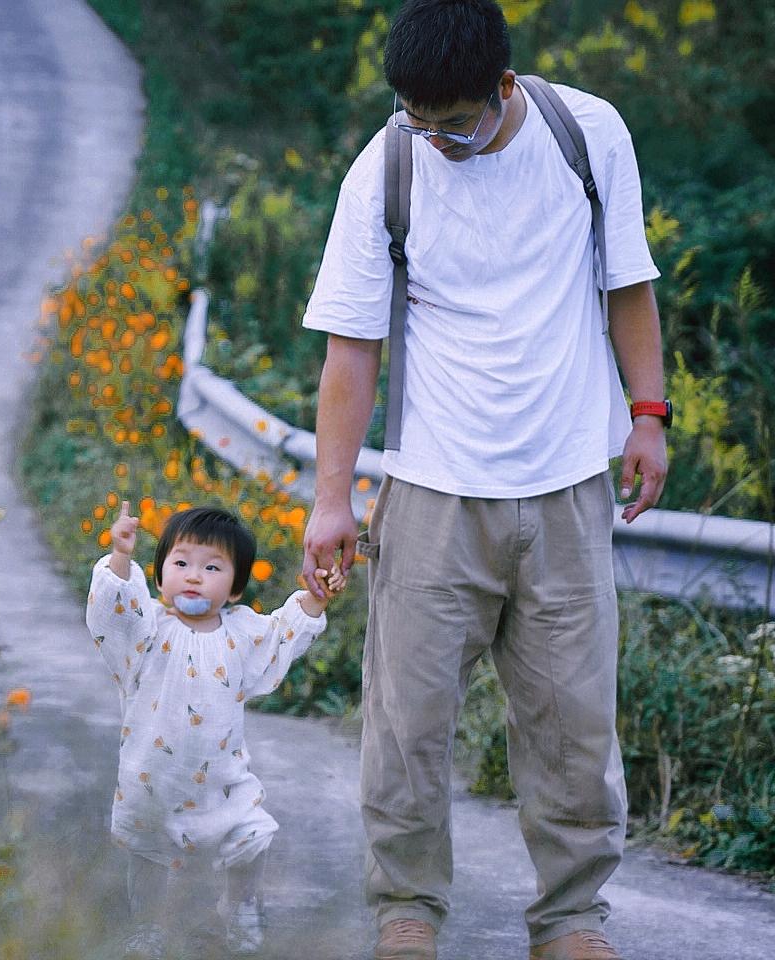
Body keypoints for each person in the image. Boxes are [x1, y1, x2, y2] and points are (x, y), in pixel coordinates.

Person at [301, 2, 668, 959]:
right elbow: (351, 350)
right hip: (430, 488)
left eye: (454, 122)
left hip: (566, 484)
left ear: (505, 87)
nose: (437, 141)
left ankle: (572, 920)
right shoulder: (386, 167)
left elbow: (627, 281)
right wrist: (331, 498)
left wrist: (649, 415)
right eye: (417, 120)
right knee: (407, 725)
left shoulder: (586, 135)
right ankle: (407, 910)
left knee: (574, 727)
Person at [86, 503, 344, 957]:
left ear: (236, 587)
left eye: (212, 567)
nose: (193, 575)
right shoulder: (147, 628)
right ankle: (147, 924)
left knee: (252, 836)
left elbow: (282, 632)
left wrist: (316, 597)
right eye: (181, 563)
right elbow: (116, 611)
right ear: (160, 574)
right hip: (152, 777)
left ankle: (241, 903)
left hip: (222, 780)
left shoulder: (241, 632)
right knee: (147, 852)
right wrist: (121, 556)